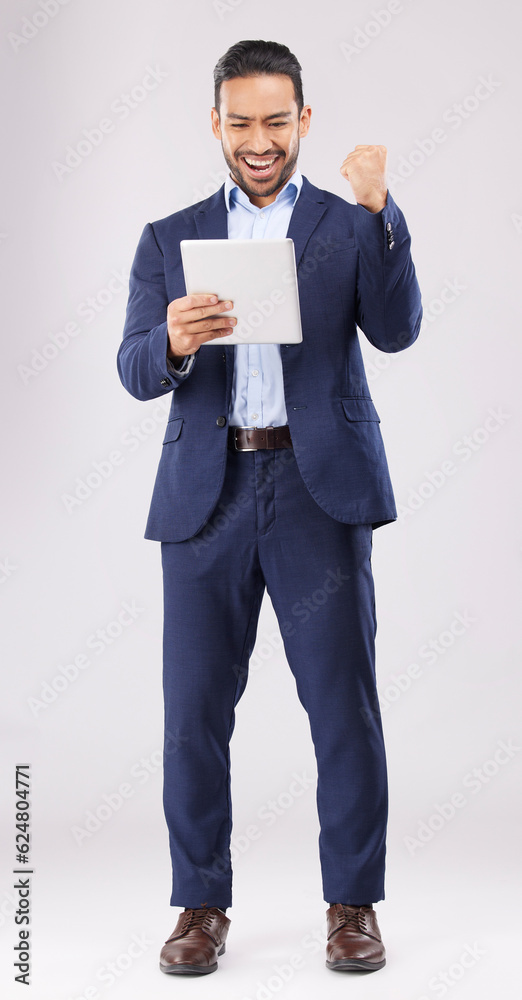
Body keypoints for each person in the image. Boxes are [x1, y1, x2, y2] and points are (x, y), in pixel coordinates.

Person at [117, 38, 422, 976]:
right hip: (204, 504)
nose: (260, 141)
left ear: (304, 121)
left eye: (277, 122)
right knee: (192, 715)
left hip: (316, 492)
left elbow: (398, 328)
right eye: (241, 122)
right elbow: (134, 372)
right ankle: (200, 907)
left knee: (344, 709)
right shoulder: (168, 239)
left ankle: (352, 905)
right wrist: (169, 339)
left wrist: (381, 211)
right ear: (216, 124)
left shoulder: (344, 220)